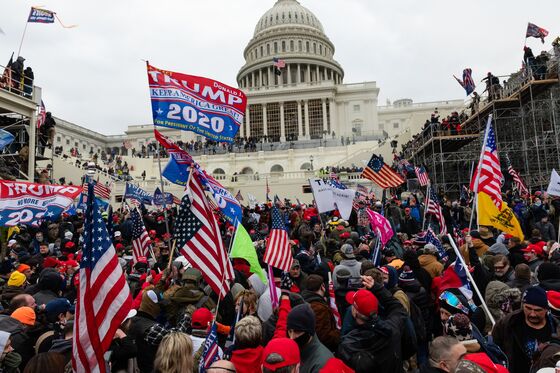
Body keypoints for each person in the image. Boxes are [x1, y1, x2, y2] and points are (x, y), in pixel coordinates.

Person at [338, 277, 407, 372]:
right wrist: (377, 288)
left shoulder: (348, 346)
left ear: (354, 312)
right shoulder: (393, 328)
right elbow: (397, 307)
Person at [493, 286, 558, 373]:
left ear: (546, 309)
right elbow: (494, 350)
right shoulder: (507, 324)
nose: (532, 314)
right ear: (523, 305)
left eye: (538, 310)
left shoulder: (556, 327)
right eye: (528, 308)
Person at [286, 303, 333, 373]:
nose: (292, 337)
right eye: (290, 331)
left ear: (309, 331)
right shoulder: (298, 350)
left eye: (297, 331)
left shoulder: (322, 363)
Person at [300, 274, 340, 351]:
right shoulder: (319, 308)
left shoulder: (304, 299)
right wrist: (338, 334)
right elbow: (324, 336)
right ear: (322, 286)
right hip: (323, 349)